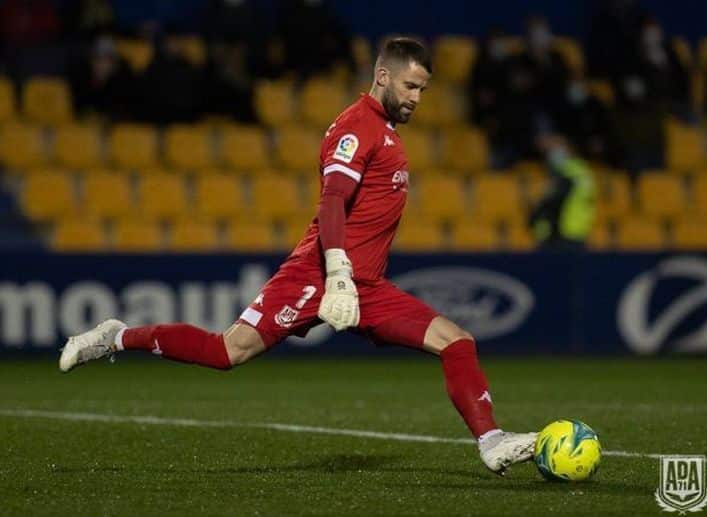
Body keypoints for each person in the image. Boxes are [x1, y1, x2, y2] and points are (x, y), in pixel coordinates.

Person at [59, 37, 536, 476]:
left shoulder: (386, 133)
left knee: (456, 341)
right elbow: (331, 202)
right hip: (320, 271)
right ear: (383, 75)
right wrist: (337, 272)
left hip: (366, 285)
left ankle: (491, 441)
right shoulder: (357, 127)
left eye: (424, 90)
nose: (416, 97)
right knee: (227, 352)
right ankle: (117, 337)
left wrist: (352, 279)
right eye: (411, 86)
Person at [530, 134, 596, 251]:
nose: (551, 153)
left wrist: (535, 216)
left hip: (561, 234)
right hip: (573, 232)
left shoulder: (568, 171)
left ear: (568, 148)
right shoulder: (581, 170)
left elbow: (553, 200)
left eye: (554, 148)